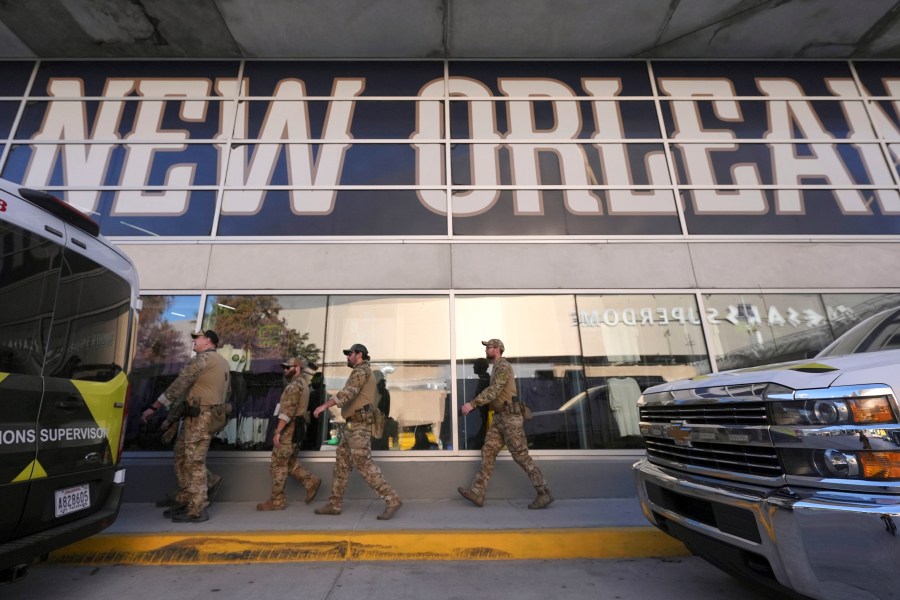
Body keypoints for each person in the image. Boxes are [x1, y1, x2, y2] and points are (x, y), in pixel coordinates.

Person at [141, 330, 230, 523]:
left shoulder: (202, 360)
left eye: (197, 338)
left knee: (194, 462)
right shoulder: (222, 363)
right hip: (199, 417)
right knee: (182, 455)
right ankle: (186, 498)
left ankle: (197, 508)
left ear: (208, 341)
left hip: (200, 419)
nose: (193, 341)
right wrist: (171, 419)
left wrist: (154, 407)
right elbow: (190, 394)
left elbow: (179, 386)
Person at [458, 339, 553, 509]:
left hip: (510, 418)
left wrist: (471, 404)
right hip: (500, 417)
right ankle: (478, 492)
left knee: (521, 455)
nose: (486, 349)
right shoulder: (495, 368)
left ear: (498, 349)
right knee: (488, 451)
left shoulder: (503, 366)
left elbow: (495, 389)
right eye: (486, 347)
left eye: (489, 347)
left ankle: (544, 492)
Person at [312, 343, 402, 520]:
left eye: (350, 353)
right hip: (353, 425)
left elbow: (348, 393)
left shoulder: (361, 371)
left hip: (360, 426)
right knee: (342, 464)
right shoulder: (359, 371)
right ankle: (334, 504)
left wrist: (324, 406)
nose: (347, 357)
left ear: (359, 354)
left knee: (364, 464)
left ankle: (392, 499)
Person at [256, 357, 322, 510]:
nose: (285, 370)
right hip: (297, 430)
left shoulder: (293, 386)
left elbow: (287, 412)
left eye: (288, 367)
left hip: (289, 430)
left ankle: (277, 501)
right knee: (289, 462)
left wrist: (278, 432)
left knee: (278, 465)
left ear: (297, 368)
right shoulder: (303, 384)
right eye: (284, 367)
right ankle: (310, 481)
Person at [154, 398, 223, 507]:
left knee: (186, 459)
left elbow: (183, 399)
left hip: (195, 419)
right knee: (187, 459)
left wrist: (169, 419)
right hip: (199, 417)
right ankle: (185, 496)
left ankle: (190, 499)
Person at [468, 357, 491, 449]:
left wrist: (465, 409)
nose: (473, 367)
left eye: (475, 365)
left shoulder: (485, 381)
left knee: (479, 446)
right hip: (486, 419)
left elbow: (478, 400)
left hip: (489, 419)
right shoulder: (484, 380)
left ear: (480, 367)